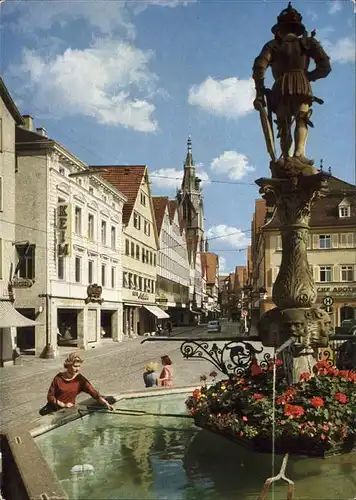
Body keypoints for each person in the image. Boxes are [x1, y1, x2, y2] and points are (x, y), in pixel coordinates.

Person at [252, 2, 331, 165]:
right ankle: (299, 153)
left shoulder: (273, 45)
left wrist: (260, 91)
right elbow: (325, 67)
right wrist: (308, 76)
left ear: (280, 30)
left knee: (284, 124)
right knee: (302, 118)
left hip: (280, 87)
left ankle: (287, 157)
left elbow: (260, 66)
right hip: (302, 85)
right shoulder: (308, 43)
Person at [44, 352, 113, 413]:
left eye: (79, 366)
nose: (78, 369)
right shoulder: (58, 378)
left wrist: (104, 402)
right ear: (68, 365)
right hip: (53, 410)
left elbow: (93, 392)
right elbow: (50, 396)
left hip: (69, 411)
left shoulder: (80, 379)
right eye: (75, 366)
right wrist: (63, 404)